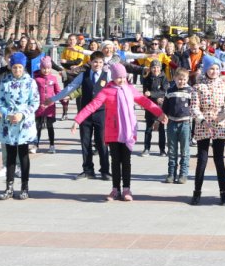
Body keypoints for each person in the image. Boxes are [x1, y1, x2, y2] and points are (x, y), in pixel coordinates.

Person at [72, 63, 165, 201]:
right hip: (113, 131)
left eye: (123, 77)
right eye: (118, 77)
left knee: (126, 161)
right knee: (115, 161)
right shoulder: (106, 90)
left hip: (128, 131)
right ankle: (115, 189)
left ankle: (126, 189)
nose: (121, 80)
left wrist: (159, 113)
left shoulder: (130, 89)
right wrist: (78, 120)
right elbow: (92, 106)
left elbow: (144, 101)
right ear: (113, 77)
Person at [47, 51, 111, 180]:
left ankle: (105, 170)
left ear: (103, 63)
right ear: (90, 62)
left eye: (100, 62)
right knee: (85, 142)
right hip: (85, 113)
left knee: (102, 142)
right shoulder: (84, 75)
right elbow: (70, 87)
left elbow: (116, 90)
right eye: (95, 62)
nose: (98, 64)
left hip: (101, 113)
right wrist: (54, 99)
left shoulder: (107, 75)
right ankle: (88, 170)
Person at [0, 53, 40, 200]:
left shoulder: (30, 82)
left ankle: (24, 187)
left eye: (20, 67)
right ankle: (9, 187)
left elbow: (35, 102)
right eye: (14, 67)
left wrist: (22, 114)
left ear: (23, 67)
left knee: (24, 154)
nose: (17, 70)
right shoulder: (5, 81)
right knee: (10, 155)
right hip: (9, 123)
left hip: (24, 123)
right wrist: (7, 114)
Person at [190, 61, 225, 204]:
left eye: (217, 69)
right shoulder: (198, 86)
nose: (214, 71)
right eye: (211, 68)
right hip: (203, 124)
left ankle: (223, 192)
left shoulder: (224, 85)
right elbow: (194, 107)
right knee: (202, 159)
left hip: (219, 123)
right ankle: (197, 192)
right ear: (206, 69)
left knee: (219, 159)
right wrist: (202, 120)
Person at [163, 67, 197, 187]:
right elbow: (165, 107)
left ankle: (183, 174)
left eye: (184, 79)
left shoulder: (190, 91)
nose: (181, 81)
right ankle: (171, 174)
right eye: (179, 79)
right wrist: (161, 117)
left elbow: (194, 107)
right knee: (172, 150)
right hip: (172, 123)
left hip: (185, 123)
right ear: (174, 78)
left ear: (187, 79)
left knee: (185, 150)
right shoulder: (170, 91)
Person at [32, 57, 62, 154]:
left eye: (48, 68)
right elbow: (32, 92)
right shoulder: (36, 79)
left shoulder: (53, 78)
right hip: (39, 106)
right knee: (38, 126)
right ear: (40, 68)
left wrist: (63, 99)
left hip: (50, 106)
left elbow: (58, 91)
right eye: (44, 68)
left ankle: (52, 145)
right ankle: (35, 145)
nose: (46, 70)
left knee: (50, 126)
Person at [139, 58, 169, 157]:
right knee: (148, 129)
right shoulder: (147, 78)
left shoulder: (164, 78)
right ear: (150, 68)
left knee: (161, 129)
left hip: (161, 107)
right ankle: (146, 148)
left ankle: (162, 150)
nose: (155, 69)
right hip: (150, 106)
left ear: (160, 68)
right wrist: (147, 98)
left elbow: (163, 91)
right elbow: (145, 93)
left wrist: (152, 94)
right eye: (153, 67)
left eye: (157, 67)